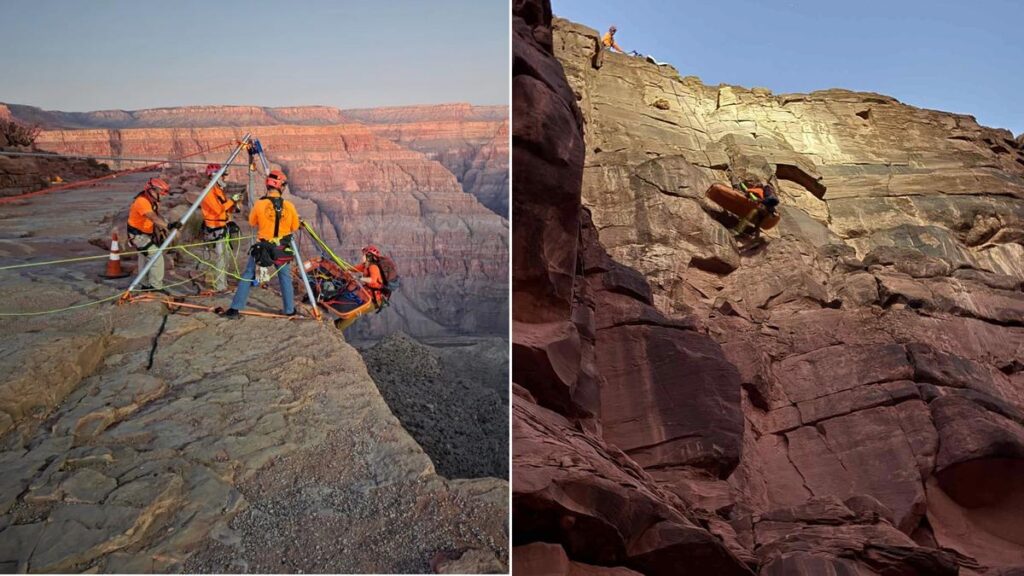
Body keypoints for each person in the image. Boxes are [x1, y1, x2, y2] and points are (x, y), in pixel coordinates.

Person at [223, 169, 299, 318]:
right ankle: (289, 310)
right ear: (280, 186)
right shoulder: (289, 206)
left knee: (248, 274)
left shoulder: (259, 204)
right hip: (281, 248)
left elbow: (252, 222)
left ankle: (235, 309)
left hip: (262, 247)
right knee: (285, 277)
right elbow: (295, 226)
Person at [127, 177, 179, 292]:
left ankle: (144, 284)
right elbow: (152, 217)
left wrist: (166, 225)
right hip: (138, 236)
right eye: (161, 192)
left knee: (144, 258)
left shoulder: (152, 201)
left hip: (145, 234)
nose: (163, 195)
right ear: (152, 190)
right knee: (156, 256)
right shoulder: (142, 201)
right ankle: (155, 286)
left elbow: (156, 216)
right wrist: (168, 226)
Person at [198, 163, 241, 293]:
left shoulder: (218, 191)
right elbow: (218, 209)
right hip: (215, 229)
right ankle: (220, 287)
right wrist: (232, 200)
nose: (224, 178)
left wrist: (234, 205)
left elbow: (225, 207)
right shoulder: (208, 191)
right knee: (220, 259)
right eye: (222, 176)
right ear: (215, 176)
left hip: (222, 227)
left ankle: (223, 283)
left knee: (226, 257)